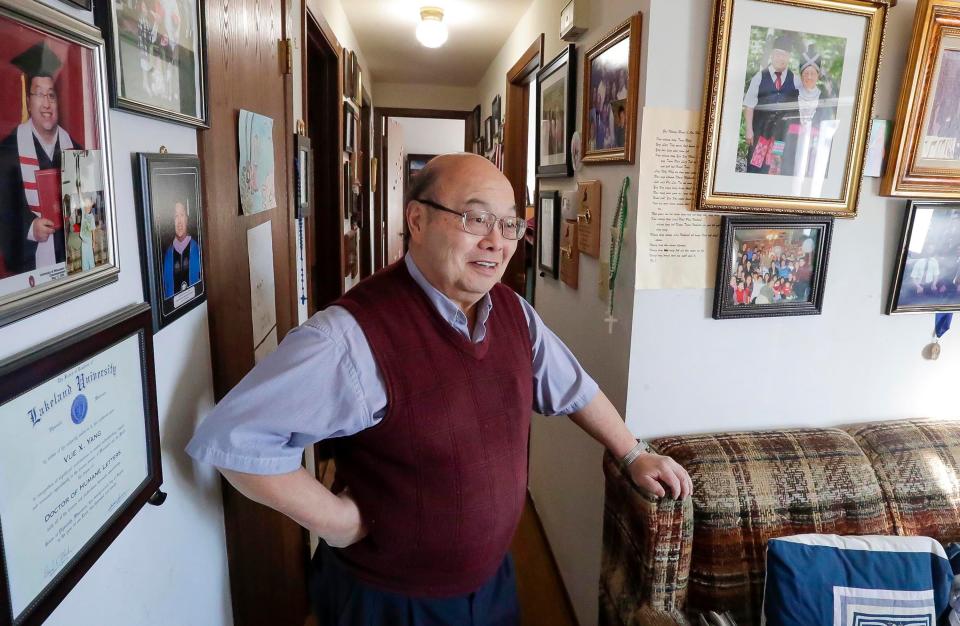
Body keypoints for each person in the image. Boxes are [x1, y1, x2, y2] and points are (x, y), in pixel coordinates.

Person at [185, 153, 692, 625]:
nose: (497, 240)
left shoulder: (514, 313)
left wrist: (632, 454)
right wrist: (336, 522)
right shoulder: (349, 337)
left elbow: (573, 386)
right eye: (475, 219)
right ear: (417, 220)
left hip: (492, 582)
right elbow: (236, 440)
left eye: (510, 223)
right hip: (391, 599)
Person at [0, 41, 81, 275]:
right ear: (28, 101)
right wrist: (29, 228)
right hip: (30, 272)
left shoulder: (75, 149)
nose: (46, 104)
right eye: (39, 95)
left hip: (71, 268)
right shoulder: (7, 152)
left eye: (51, 95)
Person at [742, 35, 799, 174]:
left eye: (785, 55)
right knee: (756, 166)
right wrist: (749, 129)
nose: (781, 58)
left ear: (789, 57)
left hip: (781, 136)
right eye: (778, 54)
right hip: (760, 132)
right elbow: (749, 105)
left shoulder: (796, 80)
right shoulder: (759, 77)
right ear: (772, 55)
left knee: (776, 167)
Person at [782, 44, 836, 178]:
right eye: (806, 73)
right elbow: (779, 128)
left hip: (814, 152)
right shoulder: (789, 98)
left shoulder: (825, 101)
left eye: (813, 73)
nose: (809, 77)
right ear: (801, 75)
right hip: (790, 149)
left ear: (818, 75)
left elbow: (828, 132)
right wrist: (777, 153)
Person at [162, 200, 201, 297]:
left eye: (182, 215)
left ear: (187, 219)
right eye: (176, 216)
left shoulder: (198, 249)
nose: (179, 222)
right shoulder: (167, 255)